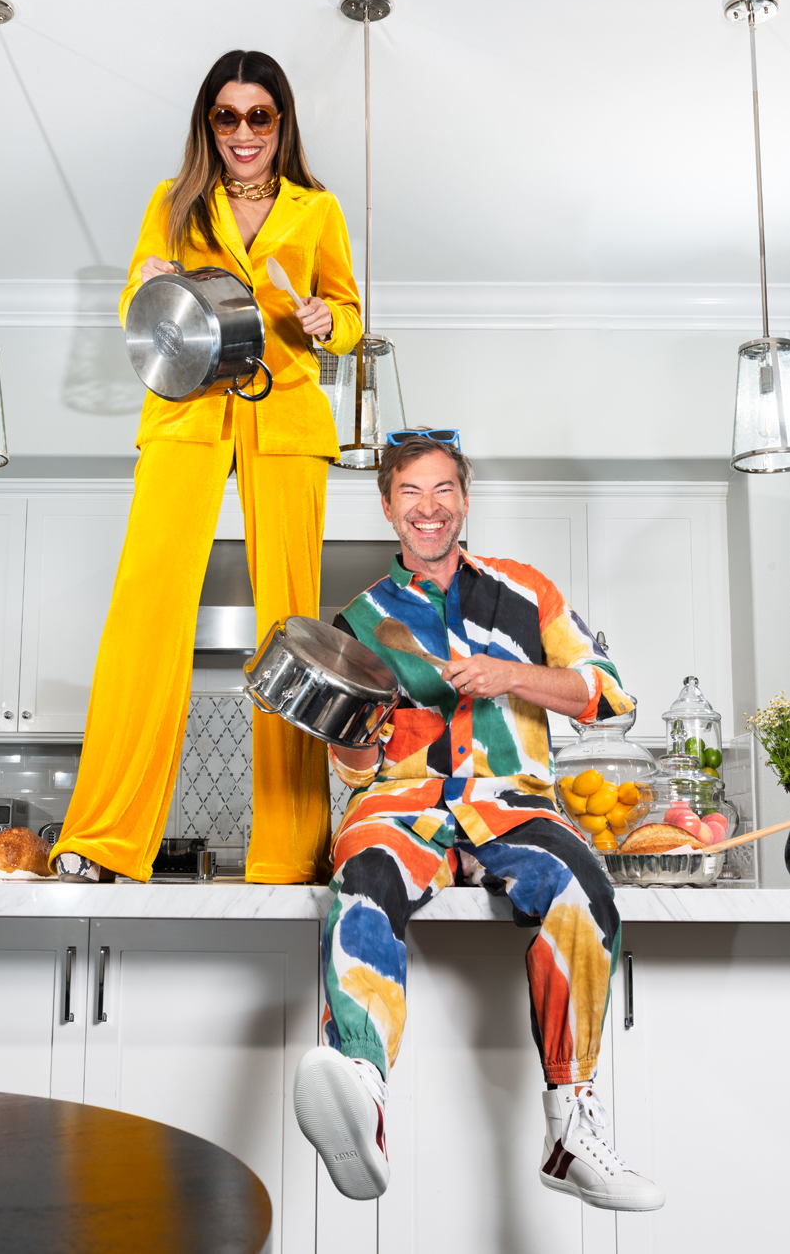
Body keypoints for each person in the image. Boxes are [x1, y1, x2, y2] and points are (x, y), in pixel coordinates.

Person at [293, 431, 665, 1212]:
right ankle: (361, 1090)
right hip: (400, 803)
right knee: (360, 876)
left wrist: (509, 675)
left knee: (581, 887)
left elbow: (607, 693)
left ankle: (572, 1129)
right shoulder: (358, 622)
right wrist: (351, 738)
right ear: (387, 506)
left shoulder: (526, 593)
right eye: (410, 495)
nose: (428, 510)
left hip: (511, 803)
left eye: (442, 491)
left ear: (464, 497)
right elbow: (352, 770)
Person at [50, 50, 361, 886]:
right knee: (144, 609)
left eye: (259, 116)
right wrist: (146, 281)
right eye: (227, 117)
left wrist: (323, 318)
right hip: (188, 410)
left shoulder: (317, 209)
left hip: (285, 414)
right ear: (208, 124)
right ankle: (106, 836)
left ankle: (290, 850)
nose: (243, 133)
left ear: (281, 122)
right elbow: (136, 306)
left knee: (293, 628)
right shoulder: (173, 201)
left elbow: (348, 320)